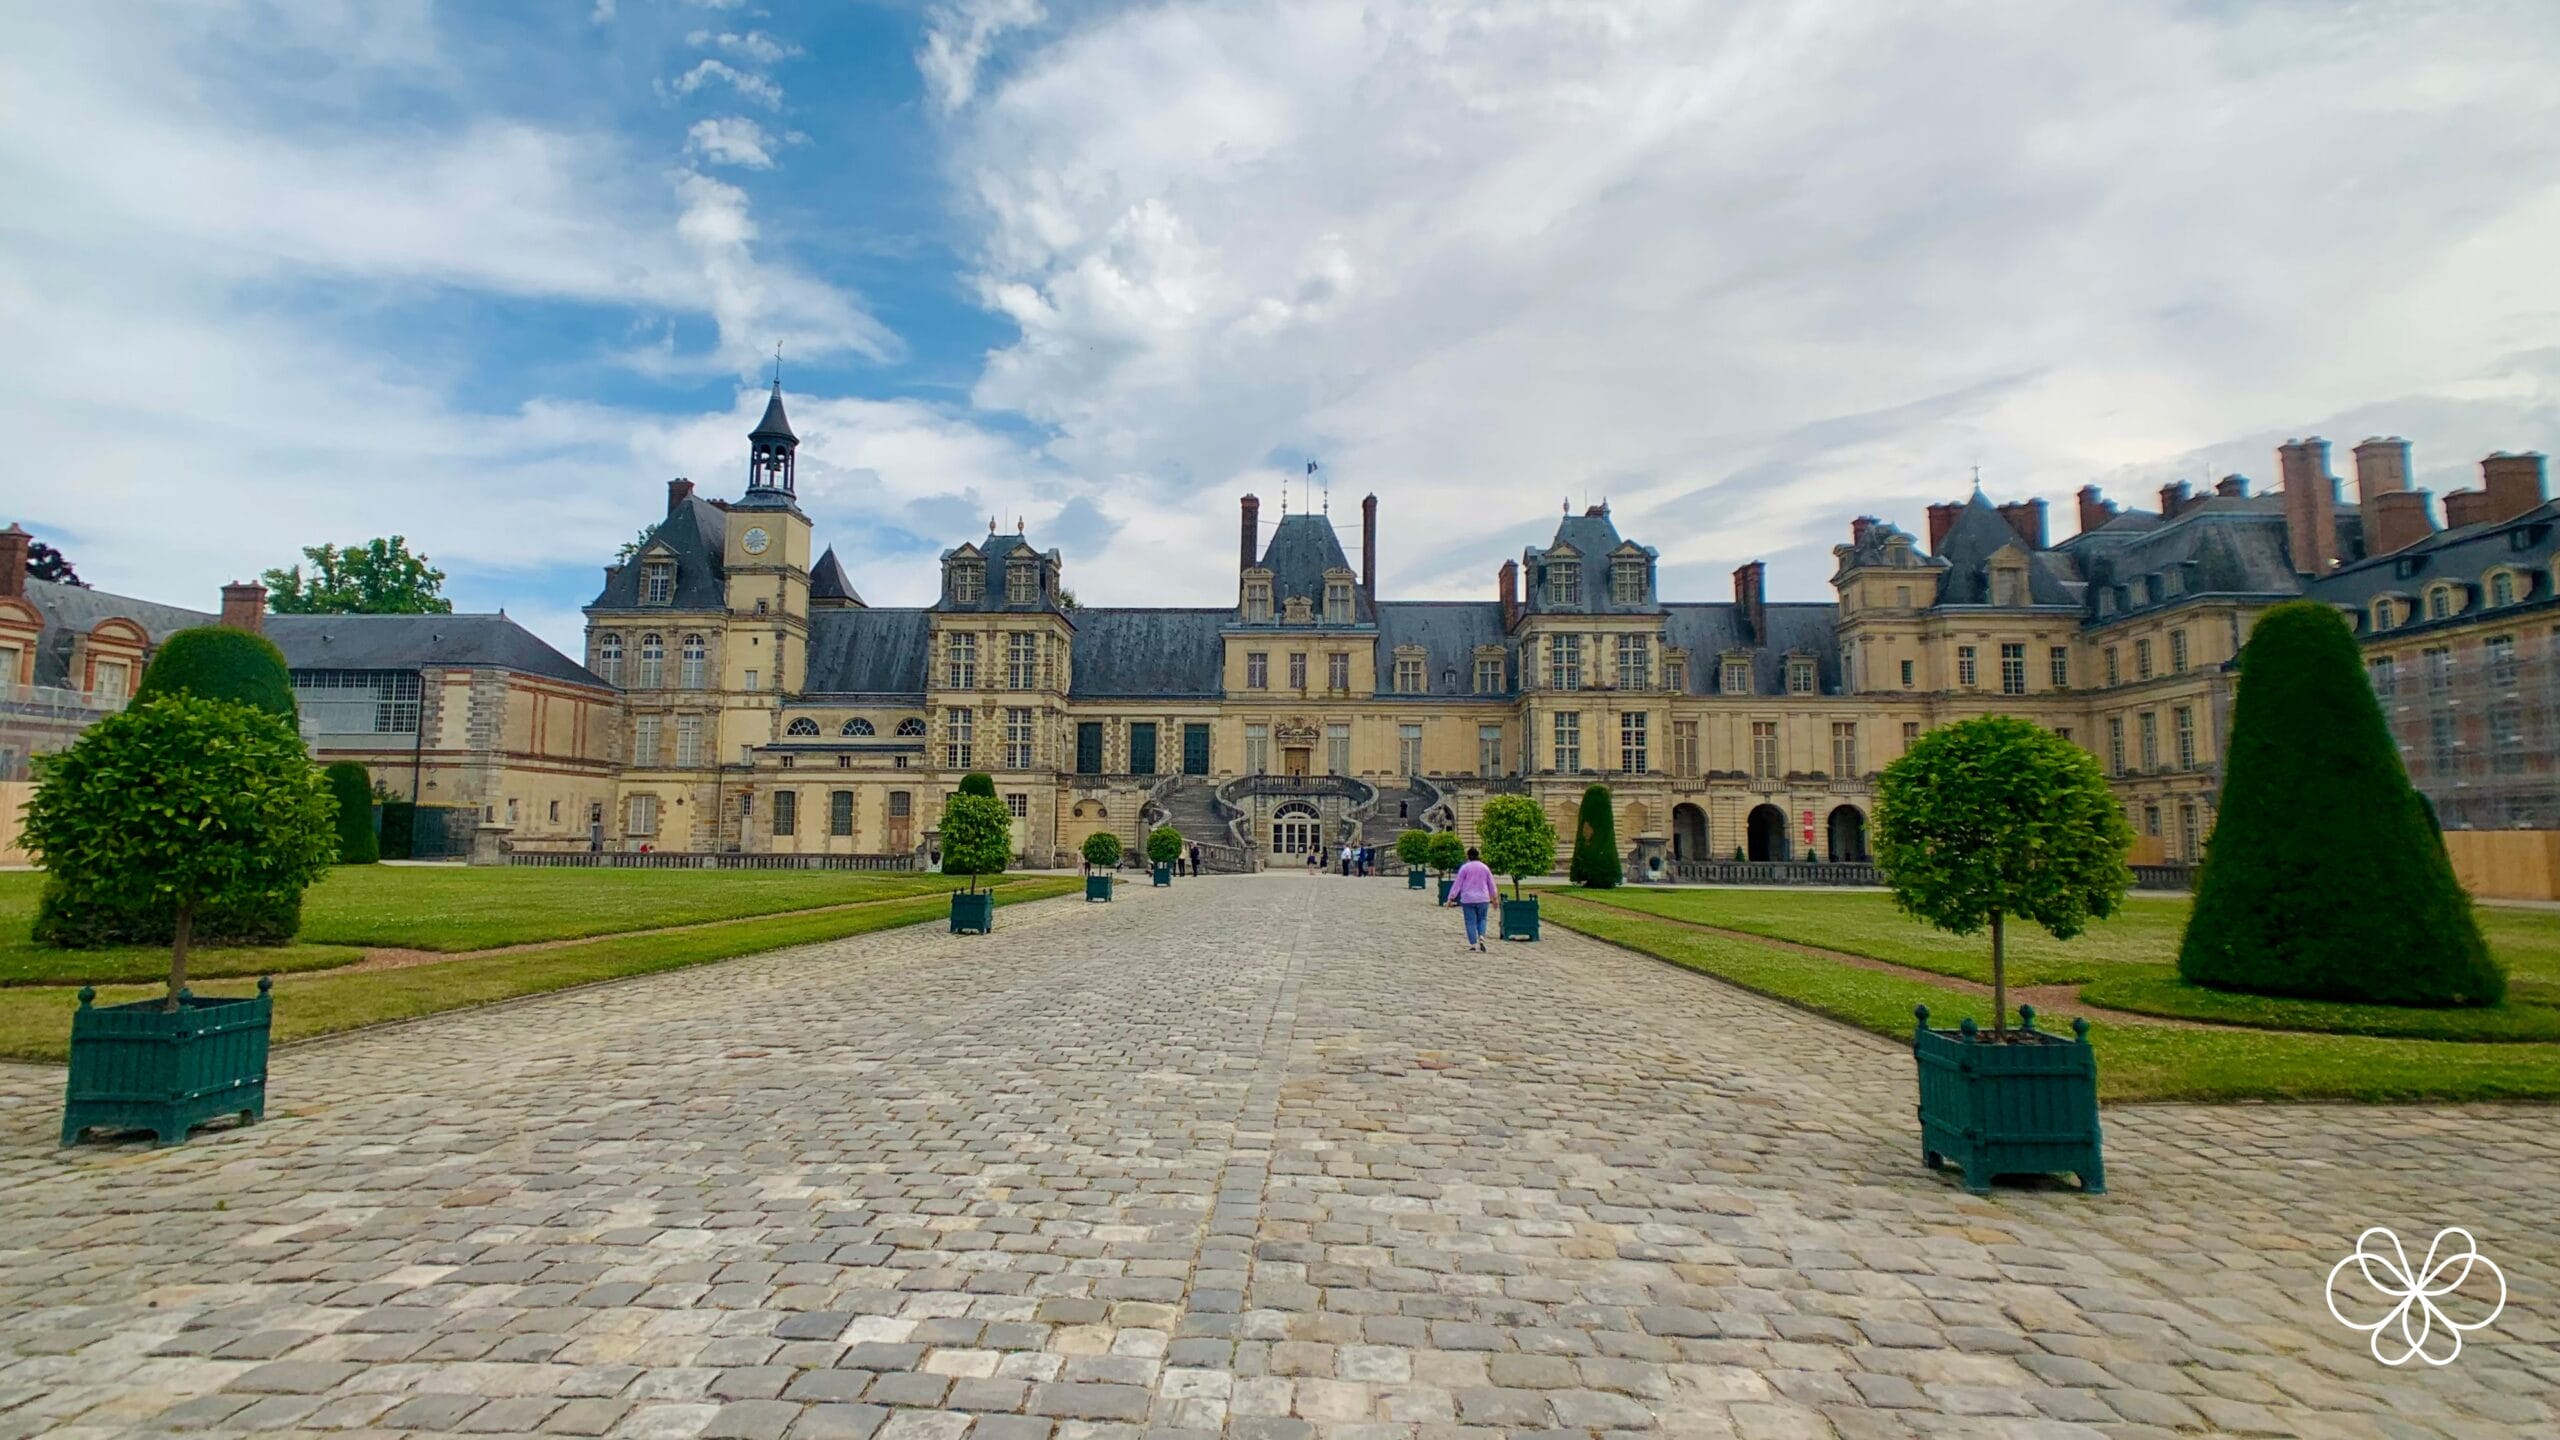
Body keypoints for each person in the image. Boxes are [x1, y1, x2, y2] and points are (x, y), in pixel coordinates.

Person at [1442, 845, 1498, 952]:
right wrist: (1494, 898)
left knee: (1470, 921)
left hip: (1468, 898)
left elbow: (1457, 883)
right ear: (1478, 856)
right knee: (1482, 918)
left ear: (1468, 856)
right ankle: (1481, 936)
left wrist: (1451, 898)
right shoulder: (1485, 868)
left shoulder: (1465, 868)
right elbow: (1491, 884)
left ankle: (1473, 943)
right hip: (1483, 898)